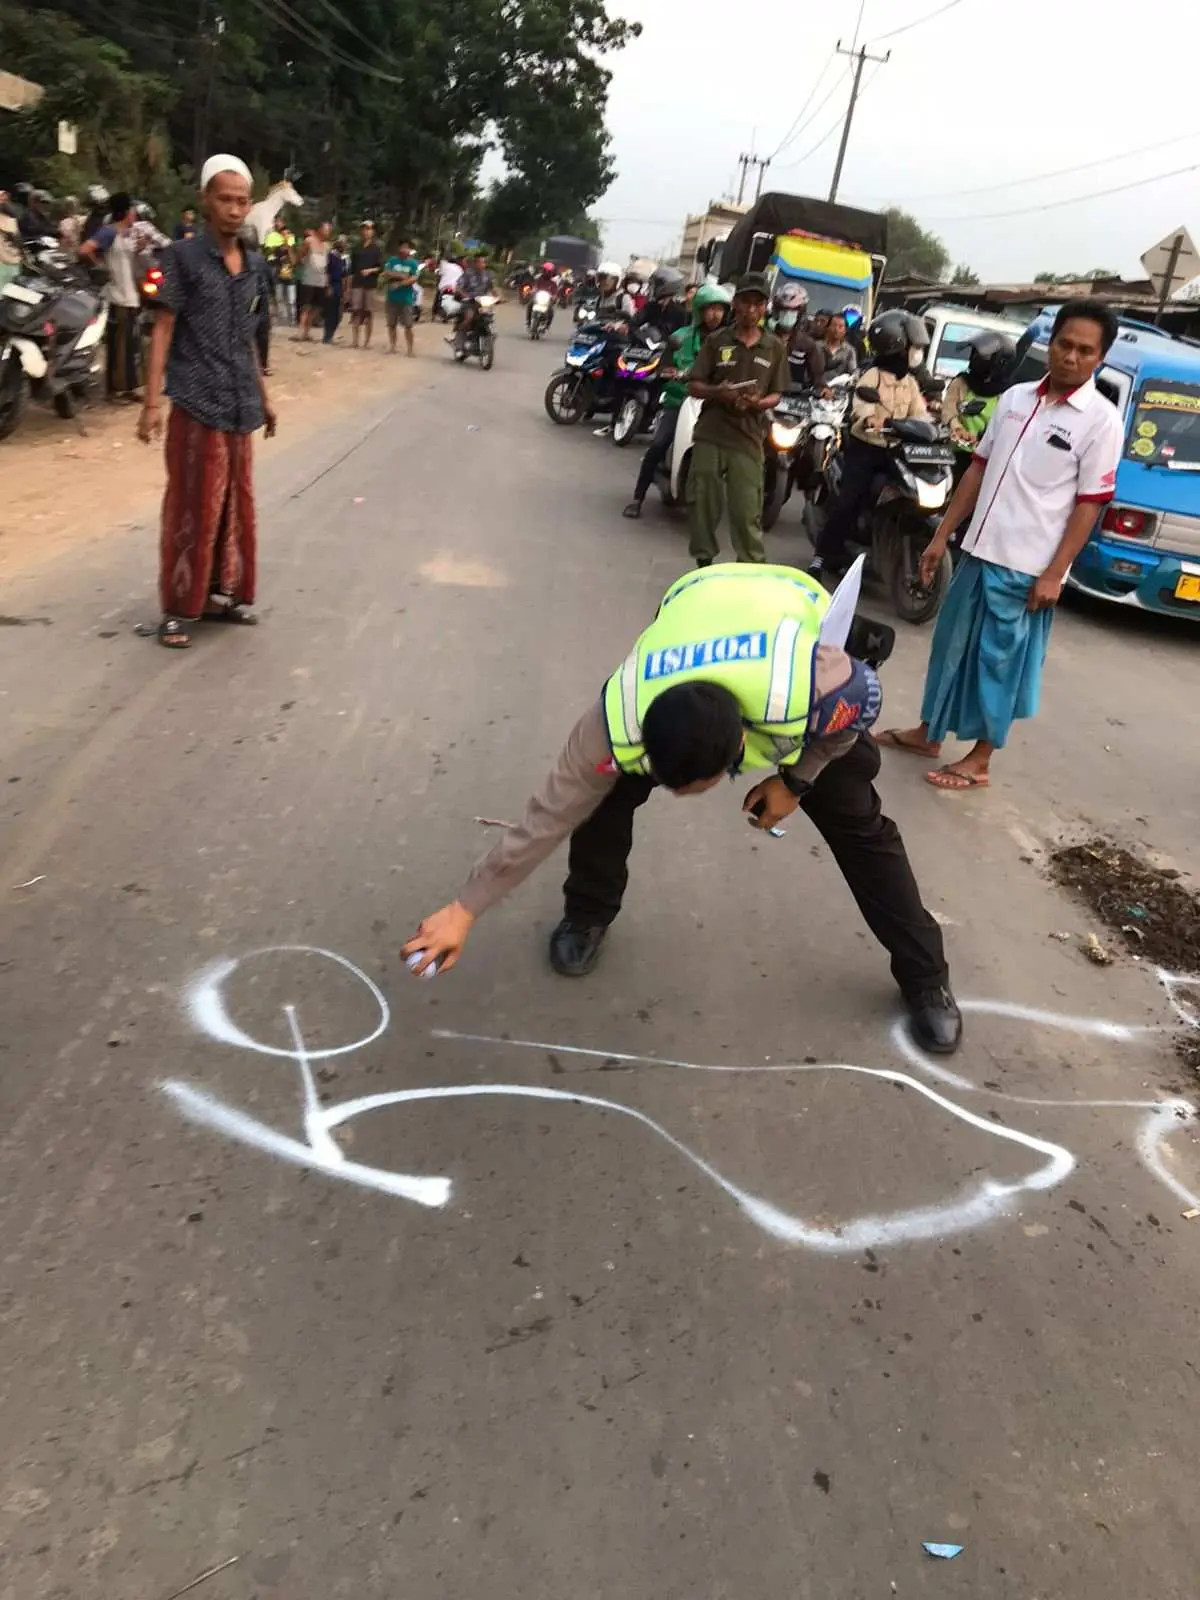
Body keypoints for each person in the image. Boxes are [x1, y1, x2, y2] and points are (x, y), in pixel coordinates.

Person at [401, 563, 962, 1055]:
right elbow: (548, 816)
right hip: (697, 598)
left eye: (683, 787)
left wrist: (796, 780)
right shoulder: (616, 720)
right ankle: (589, 912)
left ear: (731, 759)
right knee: (599, 801)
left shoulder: (811, 687)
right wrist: (466, 907)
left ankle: (925, 976)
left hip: (786, 605)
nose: (670, 794)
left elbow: (864, 707)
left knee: (860, 824)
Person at [875, 300, 1124, 793]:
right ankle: (928, 732)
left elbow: (1088, 505)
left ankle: (981, 758)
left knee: (998, 662)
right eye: (1064, 344)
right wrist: (942, 535)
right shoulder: (1013, 400)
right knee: (950, 647)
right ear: (1051, 344)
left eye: (1084, 350)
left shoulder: (1101, 422)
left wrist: (1055, 572)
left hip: (1027, 568)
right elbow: (978, 469)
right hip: (978, 551)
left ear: (1100, 358)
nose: (1070, 356)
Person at [137, 154, 277, 650]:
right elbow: (163, 328)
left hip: (240, 402)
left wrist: (265, 396)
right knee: (193, 504)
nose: (235, 210)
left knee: (236, 503)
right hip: (196, 399)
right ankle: (177, 610)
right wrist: (151, 404)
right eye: (226, 199)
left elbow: (249, 339)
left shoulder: (255, 265)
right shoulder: (180, 258)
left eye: (242, 201)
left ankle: (222, 594)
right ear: (206, 200)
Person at [807, 310, 929, 581]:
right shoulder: (872, 375)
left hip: (897, 451)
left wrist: (931, 426)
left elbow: (919, 413)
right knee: (849, 501)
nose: (917, 352)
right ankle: (820, 556)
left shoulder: (909, 381)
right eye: (914, 346)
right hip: (866, 450)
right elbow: (862, 406)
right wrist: (870, 417)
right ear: (896, 343)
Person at [686, 271, 789, 567]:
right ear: (736, 304)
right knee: (704, 503)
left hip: (748, 437)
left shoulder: (774, 347)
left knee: (747, 510)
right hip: (711, 433)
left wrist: (758, 403)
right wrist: (718, 392)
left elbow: (777, 394)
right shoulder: (718, 341)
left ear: (765, 307)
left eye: (758, 304)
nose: (752, 310)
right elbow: (694, 385)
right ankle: (703, 564)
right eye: (746, 303)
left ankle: (750, 569)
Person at [622, 283, 731, 520]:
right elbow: (664, 366)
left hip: (714, 404)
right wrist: (669, 373)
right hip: (680, 400)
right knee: (658, 444)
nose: (714, 315)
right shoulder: (679, 339)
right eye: (709, 309)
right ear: (700, 311)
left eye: (719, 310)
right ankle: (637, 498)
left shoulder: (729, 343)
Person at [78, 192, 143, 401]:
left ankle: (127, 387)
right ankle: (115, 390)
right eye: (132, 210)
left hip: (129, 295)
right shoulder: (109, 233)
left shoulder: (125, 234)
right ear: (125, 212)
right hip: (117, 296)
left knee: (130, 344)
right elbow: (85, 249)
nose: (135, 214)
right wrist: (101, 269)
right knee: (119, 344)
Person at [942, 329, 1014, 488]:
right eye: (975, 354)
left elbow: (1005, 425)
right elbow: (948, 409)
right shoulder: (961, 382)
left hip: (985, 459)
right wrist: (957, 427)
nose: (975, 359)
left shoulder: (1009, 394)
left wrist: (982, 437)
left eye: (982, 357)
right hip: (956, 454)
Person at [772, 285, 826, 392]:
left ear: (800, 313)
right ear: (777, 311)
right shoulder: (764, 338)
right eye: (784, 309)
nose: (788, 314)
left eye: (793, 310)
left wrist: (823, 389)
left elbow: (818, 378)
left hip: (793, 398)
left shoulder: (808, 345)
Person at [348, 219, 383, 349]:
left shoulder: (376, 249)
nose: (366, 231)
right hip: (357, 283)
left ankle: (367, 342)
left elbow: (381, 267)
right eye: (364, 228)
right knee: (356, 311)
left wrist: (370, 270)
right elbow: (351, 269)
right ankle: (355, 340)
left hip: (370, 284)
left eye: (369, 229)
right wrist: (348, 287)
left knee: (368, 313)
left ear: (373, 231)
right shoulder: (356, 248)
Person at [383, 236, 420, 355]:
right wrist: (402, 276)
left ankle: (410, 349)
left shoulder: (413, 263)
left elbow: (414, 278)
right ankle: (392, 347)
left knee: (408, 325)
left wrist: (399, 283)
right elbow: (386, 272)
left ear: (409, 249)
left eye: (406, 247)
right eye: (402, 247)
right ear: (399, 248)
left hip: (406, 298)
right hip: (392, 297)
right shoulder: (392, 260)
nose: (404, 249)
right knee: (391, 324)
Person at [295, 223, 331, 340]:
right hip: (309, 278)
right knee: (306, 306)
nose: (327, 233)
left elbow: (328, 265)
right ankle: (300, 332)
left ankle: (307, 331)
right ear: (320, 230)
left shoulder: (327, 245)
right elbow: (300, 255)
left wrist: (328, 282)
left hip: (321, 280)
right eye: (326, 230)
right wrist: (298, 264)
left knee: (317, 307)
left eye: (329, 231)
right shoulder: (309, 241)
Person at [454, 252, 496, 347]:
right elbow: (458, 287)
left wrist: (498, 297)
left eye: (484, 262)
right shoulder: (467, 273)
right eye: (479, 262)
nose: (482, 264)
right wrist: (465, 295)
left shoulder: (488, 275)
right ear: (475, 263)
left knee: (489, 317)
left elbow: (492, 288)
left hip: (482, 303)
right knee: (469, 317)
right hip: (469, 302)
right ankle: (459, 337)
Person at [323, 234, 349, 344]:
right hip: (332, 284)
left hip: (340, 286)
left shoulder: (345, 258)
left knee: (339, 314)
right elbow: (327, 272)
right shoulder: (331, 256)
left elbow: (346, 276)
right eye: (340, 242)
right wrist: (328, 286)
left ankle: (331, 334)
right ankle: (327, 336)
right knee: (330, 312)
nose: (342, 244)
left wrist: (346, 290)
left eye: (344, 242)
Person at [594, 261, 635, 325]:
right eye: (602, 277)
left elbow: (630, 320)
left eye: (611, 278)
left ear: (617, 280)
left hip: (615, 333)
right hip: (598, 331)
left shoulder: (623, 298)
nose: (605, 281)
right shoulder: (599, 299)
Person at [821, 311, 859, 381]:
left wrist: (855, 376)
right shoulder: (817, 346)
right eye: (833, 325)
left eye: (840, 326)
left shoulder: (849, 351)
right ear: (828, 327)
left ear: (845, 331)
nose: (836, 329)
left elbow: (853, 370)